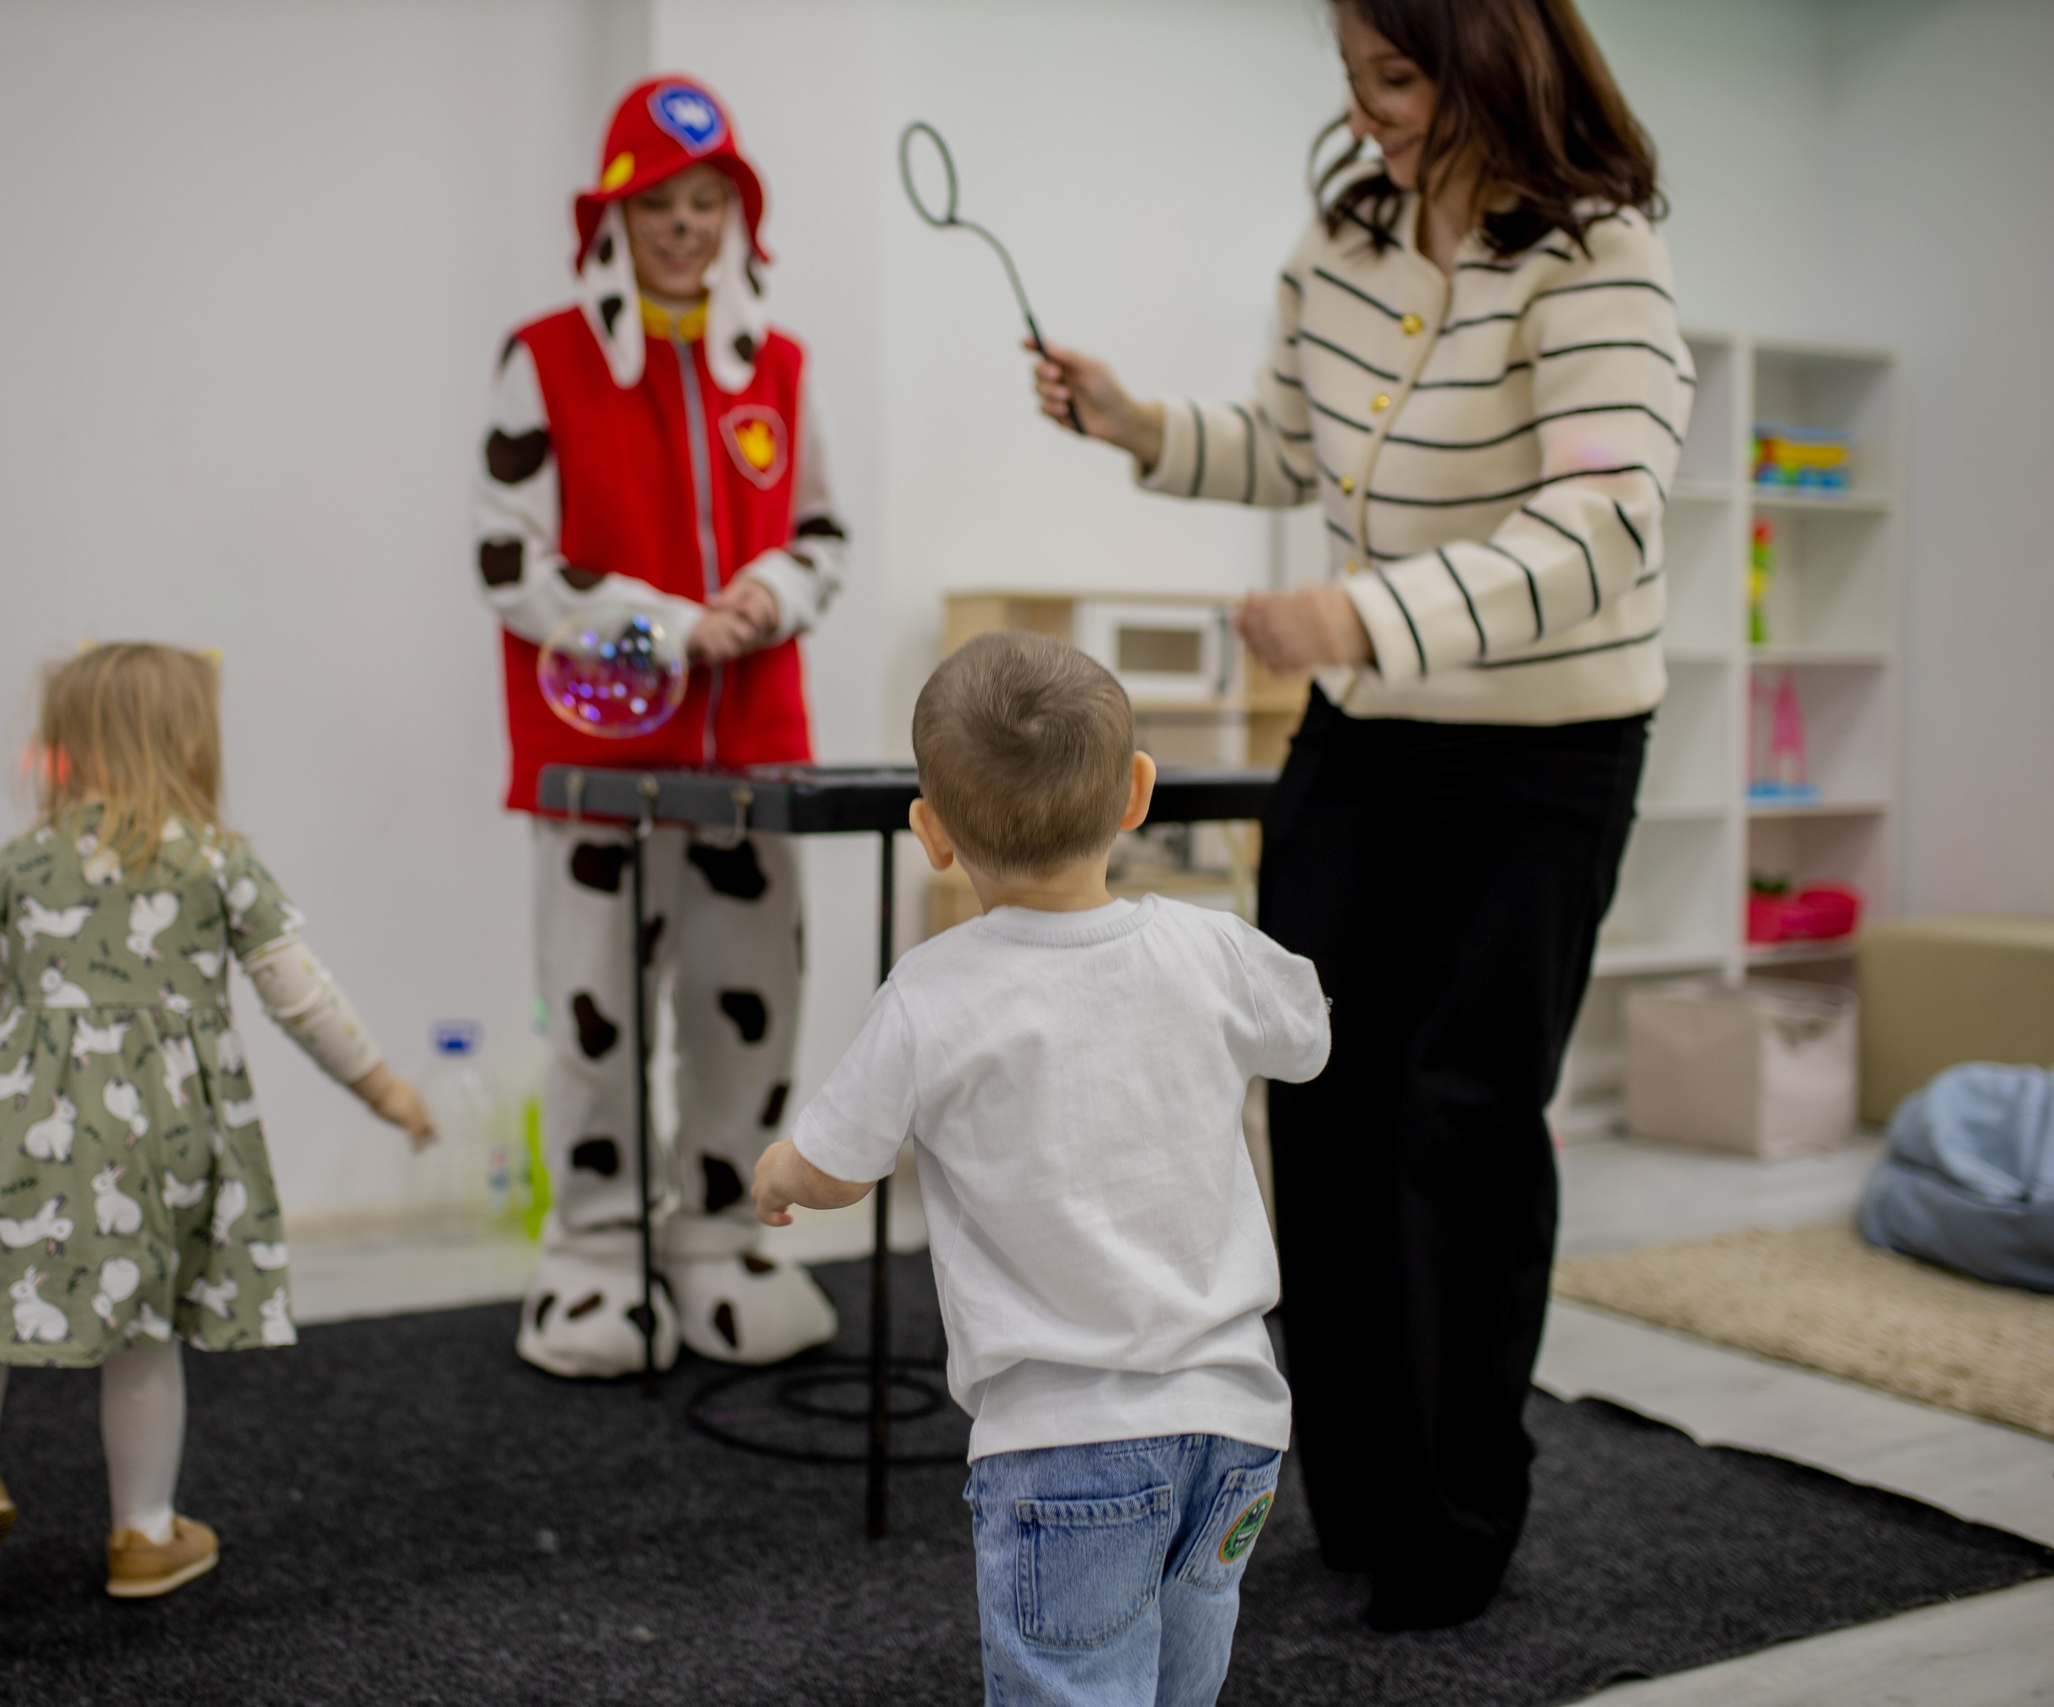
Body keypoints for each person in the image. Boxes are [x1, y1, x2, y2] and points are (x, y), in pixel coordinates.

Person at [1028, 0, 1688, 1630]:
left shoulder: (1596, 255)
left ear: (1492, 61)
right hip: (1370, 734)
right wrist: (1136, 423)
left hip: (1544, 746)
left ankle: (1455, 1524)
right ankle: (1361, 1498)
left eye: (1396, 76)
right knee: (1317, 1102)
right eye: (1353, 77)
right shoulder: (1346, 241)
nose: (1370, 108)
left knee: (1459, 1123)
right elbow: (1290, 447)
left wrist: (1365, 615)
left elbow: (1603, 516)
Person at [754, 633, 1330, 1707]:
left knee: (1074, 1684)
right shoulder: (1209, 948)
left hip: (1066, 1445)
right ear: (1137, 793)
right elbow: (1308, 1039)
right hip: (1235, 1423)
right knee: (1182, 1680)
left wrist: (780, 1172)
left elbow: (837, 1167)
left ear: (931, 832)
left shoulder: (931, 992)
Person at [0, 642, 433, 1598]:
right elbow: (303, 997)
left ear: (66, 741)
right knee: (143, 1328)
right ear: (190, 741)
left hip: (9, 1127)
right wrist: (383, 1088)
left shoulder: (19, 862)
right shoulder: (219, 861)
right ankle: (141, 1533)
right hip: (154, 1148)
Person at [475, 75, 848, 1379]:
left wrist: (768, 595)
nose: (684, 228)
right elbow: (509, 559)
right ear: (614, 218)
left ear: (734, 215)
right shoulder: (543, 358)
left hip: (750, 757)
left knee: (749, 1011)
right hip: (598, 761)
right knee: (599, 1017)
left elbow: (821, 534)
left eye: (706, 203)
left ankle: (724, 1240)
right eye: (659, 206)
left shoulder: (781, 369)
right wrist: (662, 624)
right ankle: (593, 1253)